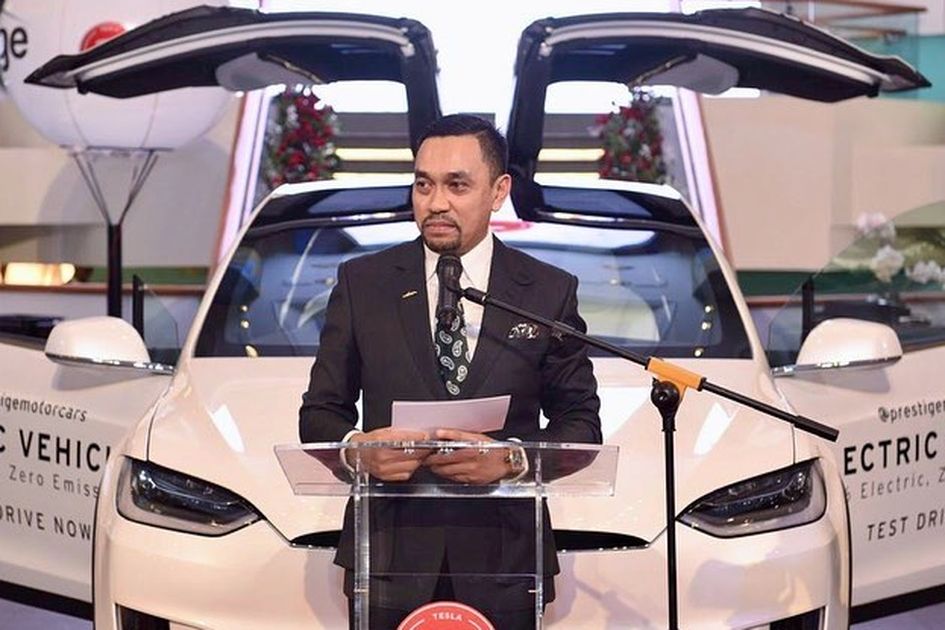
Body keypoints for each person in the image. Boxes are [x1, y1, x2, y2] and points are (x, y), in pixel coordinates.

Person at [298, 114, 601, 628]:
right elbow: (320, 413)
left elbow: (582, 424)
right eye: (423, 185)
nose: (435, 202)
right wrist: (358, 450)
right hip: (388, 556)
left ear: (499, 191)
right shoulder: (363, 283)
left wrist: (511, 460)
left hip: (506, 560)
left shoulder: (547, 292)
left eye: (457, 185)